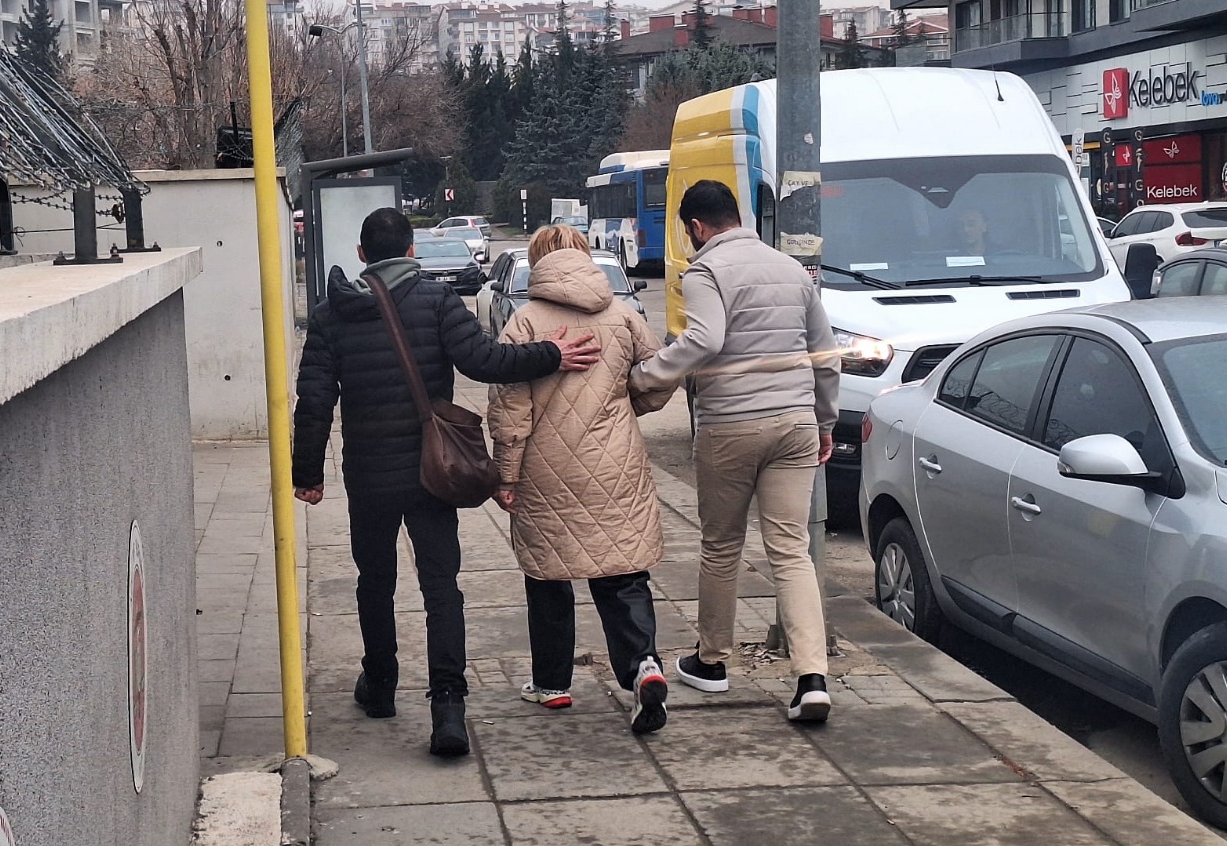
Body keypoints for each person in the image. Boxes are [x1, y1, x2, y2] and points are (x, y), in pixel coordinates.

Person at [292, 208, 601, 757]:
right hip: (434, 471)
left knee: (374, 581)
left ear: (362, 254)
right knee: (441, 588)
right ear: (411, 250)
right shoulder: (436, 302)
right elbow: (484, 361)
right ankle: (448, 708)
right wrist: (553, 353)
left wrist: (307, 473)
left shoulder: (331, 313)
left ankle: (380, 686)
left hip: (369, 474)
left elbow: (314, 400)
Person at [630, 180, 841, 722]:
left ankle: (711, 662)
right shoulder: (792, 270)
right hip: (795, 422)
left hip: (731, 424)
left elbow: (704, 339)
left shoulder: (705, 272)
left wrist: (646, 373)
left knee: (722, 545)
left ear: (697, 227)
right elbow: (825, 352)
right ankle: (811, 677)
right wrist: (824, 419)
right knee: (791, 550)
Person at [487, 226, 676, 734]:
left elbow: (510, 408)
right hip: (617, 466)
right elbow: (661, 374)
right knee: (622, 573)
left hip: (545, 470)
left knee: (548, 575)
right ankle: (643, 667)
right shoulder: (622, 315)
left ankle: (552, 683)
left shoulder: (524, 323)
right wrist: (628, 406)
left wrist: (506, 475)